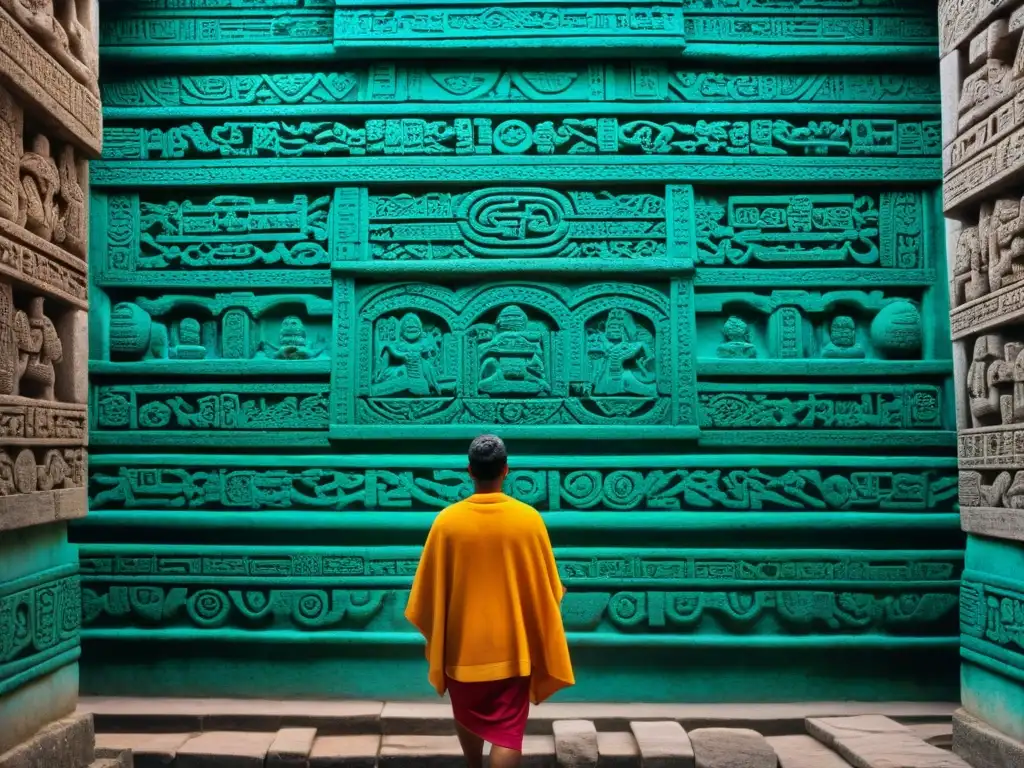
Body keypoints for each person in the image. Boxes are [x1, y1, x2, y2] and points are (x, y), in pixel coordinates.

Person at [405, 434, 574, 768]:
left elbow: (426, 594)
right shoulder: (529, 520)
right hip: (512, 650)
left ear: (470, 471)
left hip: (462, 650)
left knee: (466, 713)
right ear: (506, 470)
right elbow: (550, 589)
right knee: (507, 734)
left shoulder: (447, 522)